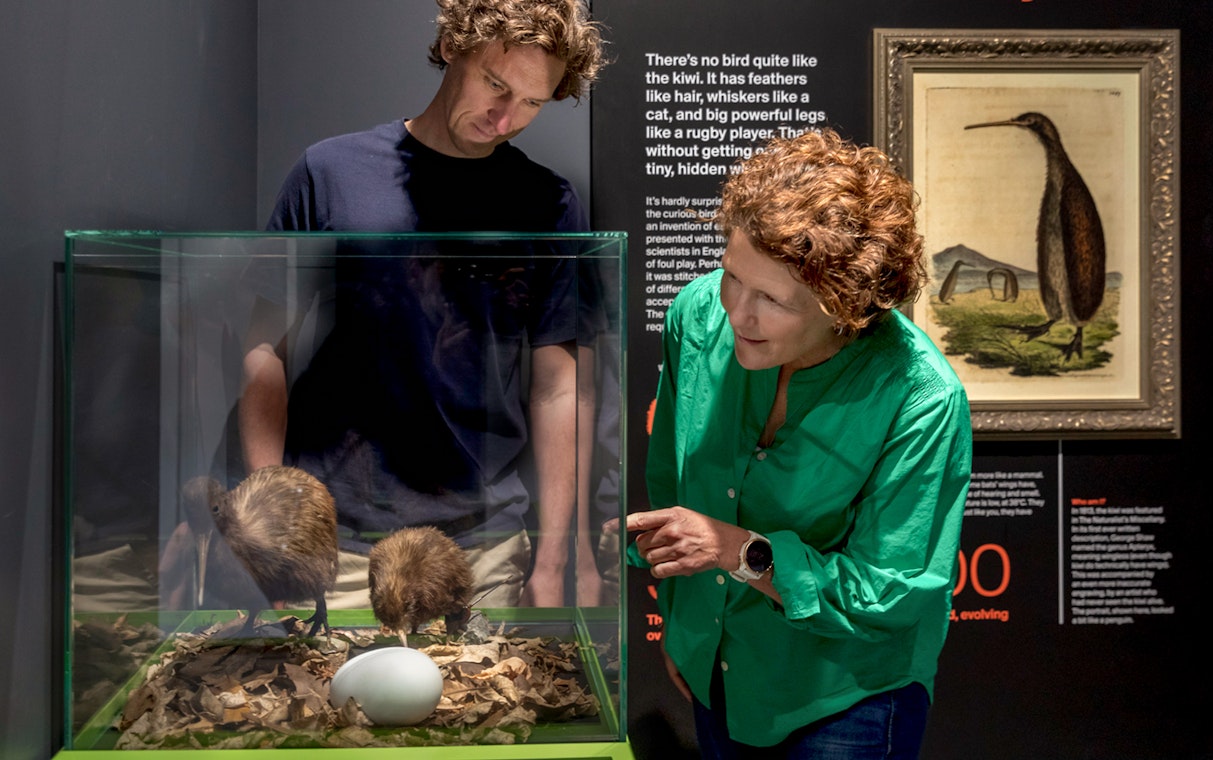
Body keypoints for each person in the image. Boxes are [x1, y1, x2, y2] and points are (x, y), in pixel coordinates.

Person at [239, 0, 609, 612]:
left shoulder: (547, 204)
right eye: (495, 84)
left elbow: (558, 388)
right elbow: (262, 347)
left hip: (485, 545)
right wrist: (271, 529)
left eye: (531, 103)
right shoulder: (331, 173)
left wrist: (556, 560)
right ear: (455, 47)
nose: (505, 117)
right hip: (341, 542)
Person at [624, 128, 972, 758]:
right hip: (715, 666)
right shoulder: (696, 316)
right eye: (732, 276)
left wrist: (740, 551)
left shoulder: (920, 397)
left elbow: (893, 592)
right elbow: (671, 488)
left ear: (846, 307)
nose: (735, 313)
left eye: (773, 300)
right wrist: (689, 630)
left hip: (843, 695)